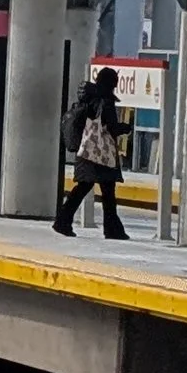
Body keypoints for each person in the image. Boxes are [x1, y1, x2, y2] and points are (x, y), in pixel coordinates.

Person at [54, 62, 129, 240]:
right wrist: (126, 128)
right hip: (101, 154)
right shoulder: (105, 101)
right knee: (108, 193)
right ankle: (112, 229)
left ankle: (63, 221)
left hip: (86, 150)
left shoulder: (86, 98)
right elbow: (111, 127)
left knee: (84, 188)